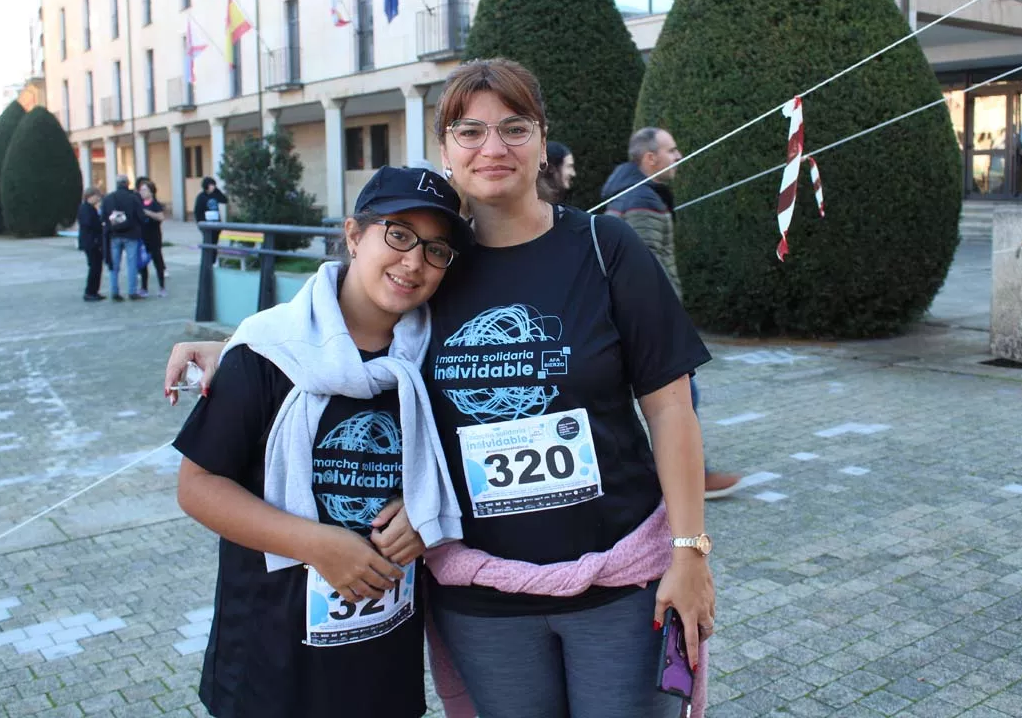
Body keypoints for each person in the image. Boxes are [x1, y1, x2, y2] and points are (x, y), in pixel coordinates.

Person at [166, 59, 716, 718]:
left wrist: (690, 551)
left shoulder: (605, 249)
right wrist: (238, 347)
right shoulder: (438, 269)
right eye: (470, 131)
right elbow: (340, 334)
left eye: (514, 129)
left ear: (543, 139)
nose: (493, 148)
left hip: (616, 583)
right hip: (484, 598)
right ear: (447, 148)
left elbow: (671, 409)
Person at [170, 166, 470, 718]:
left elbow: (451, 466)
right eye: (398, 234)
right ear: (355, 235)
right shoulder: (265, 353)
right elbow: (198, 487)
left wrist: (425, 508)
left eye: (436, 250)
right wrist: (315, 544)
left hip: (382, 651)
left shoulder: (433, 360)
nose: (412, 262)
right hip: (269, 654)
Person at [601, 128, 743, 501]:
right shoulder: (642, 199)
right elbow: (647, 267)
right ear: (650, 159)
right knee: (681, 400)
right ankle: (691, 476)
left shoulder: (627, 192)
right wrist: (664, 319)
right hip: (650, 321)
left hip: (633, 319)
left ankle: (681, 472)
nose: (679, 157)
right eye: (671, 150)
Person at [100, 175, 146, 302]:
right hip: (131, 235)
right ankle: (132, 292)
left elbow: (103, 217)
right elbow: (141, 216)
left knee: (114, 265)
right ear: (127, 183)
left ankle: (114, 291)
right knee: (132, 264)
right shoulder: (133, 198)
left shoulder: (108, 199)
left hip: (114, 235)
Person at [137, 178, 167, 297]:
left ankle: (162, 287)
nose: (142, 192)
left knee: (158, 262)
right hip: (142, 238)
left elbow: (161, 217)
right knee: (143, 264)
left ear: (151, 191)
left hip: (154, 238)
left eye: (144, 190)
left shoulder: (155, 204)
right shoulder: (138, 203)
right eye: (141, 190)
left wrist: (147, 213)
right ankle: (144, 288)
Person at [77, 187, 105, 302]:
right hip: (91, 242)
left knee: (97, 267)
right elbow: (89, 223)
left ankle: (94, 291)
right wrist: (100, 223)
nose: (98, 199)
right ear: (91, 196)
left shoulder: (89, 208)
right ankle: (90, 292)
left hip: (92, 241)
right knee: (94, 267)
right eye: (97, 197)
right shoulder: (85, 208)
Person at [194, 177, 229, 265]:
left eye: (214, 185)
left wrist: (218, 191)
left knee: (214, 244)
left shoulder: (215, 194)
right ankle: (207, 262)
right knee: (208, 244)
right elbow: (197, 211)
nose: (213, 187)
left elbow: (225, 200)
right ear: (206, 186)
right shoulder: (201, 197)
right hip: (207, 224)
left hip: (216, 223)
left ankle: (213, 262)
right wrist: (200, 224)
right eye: (211, 185)